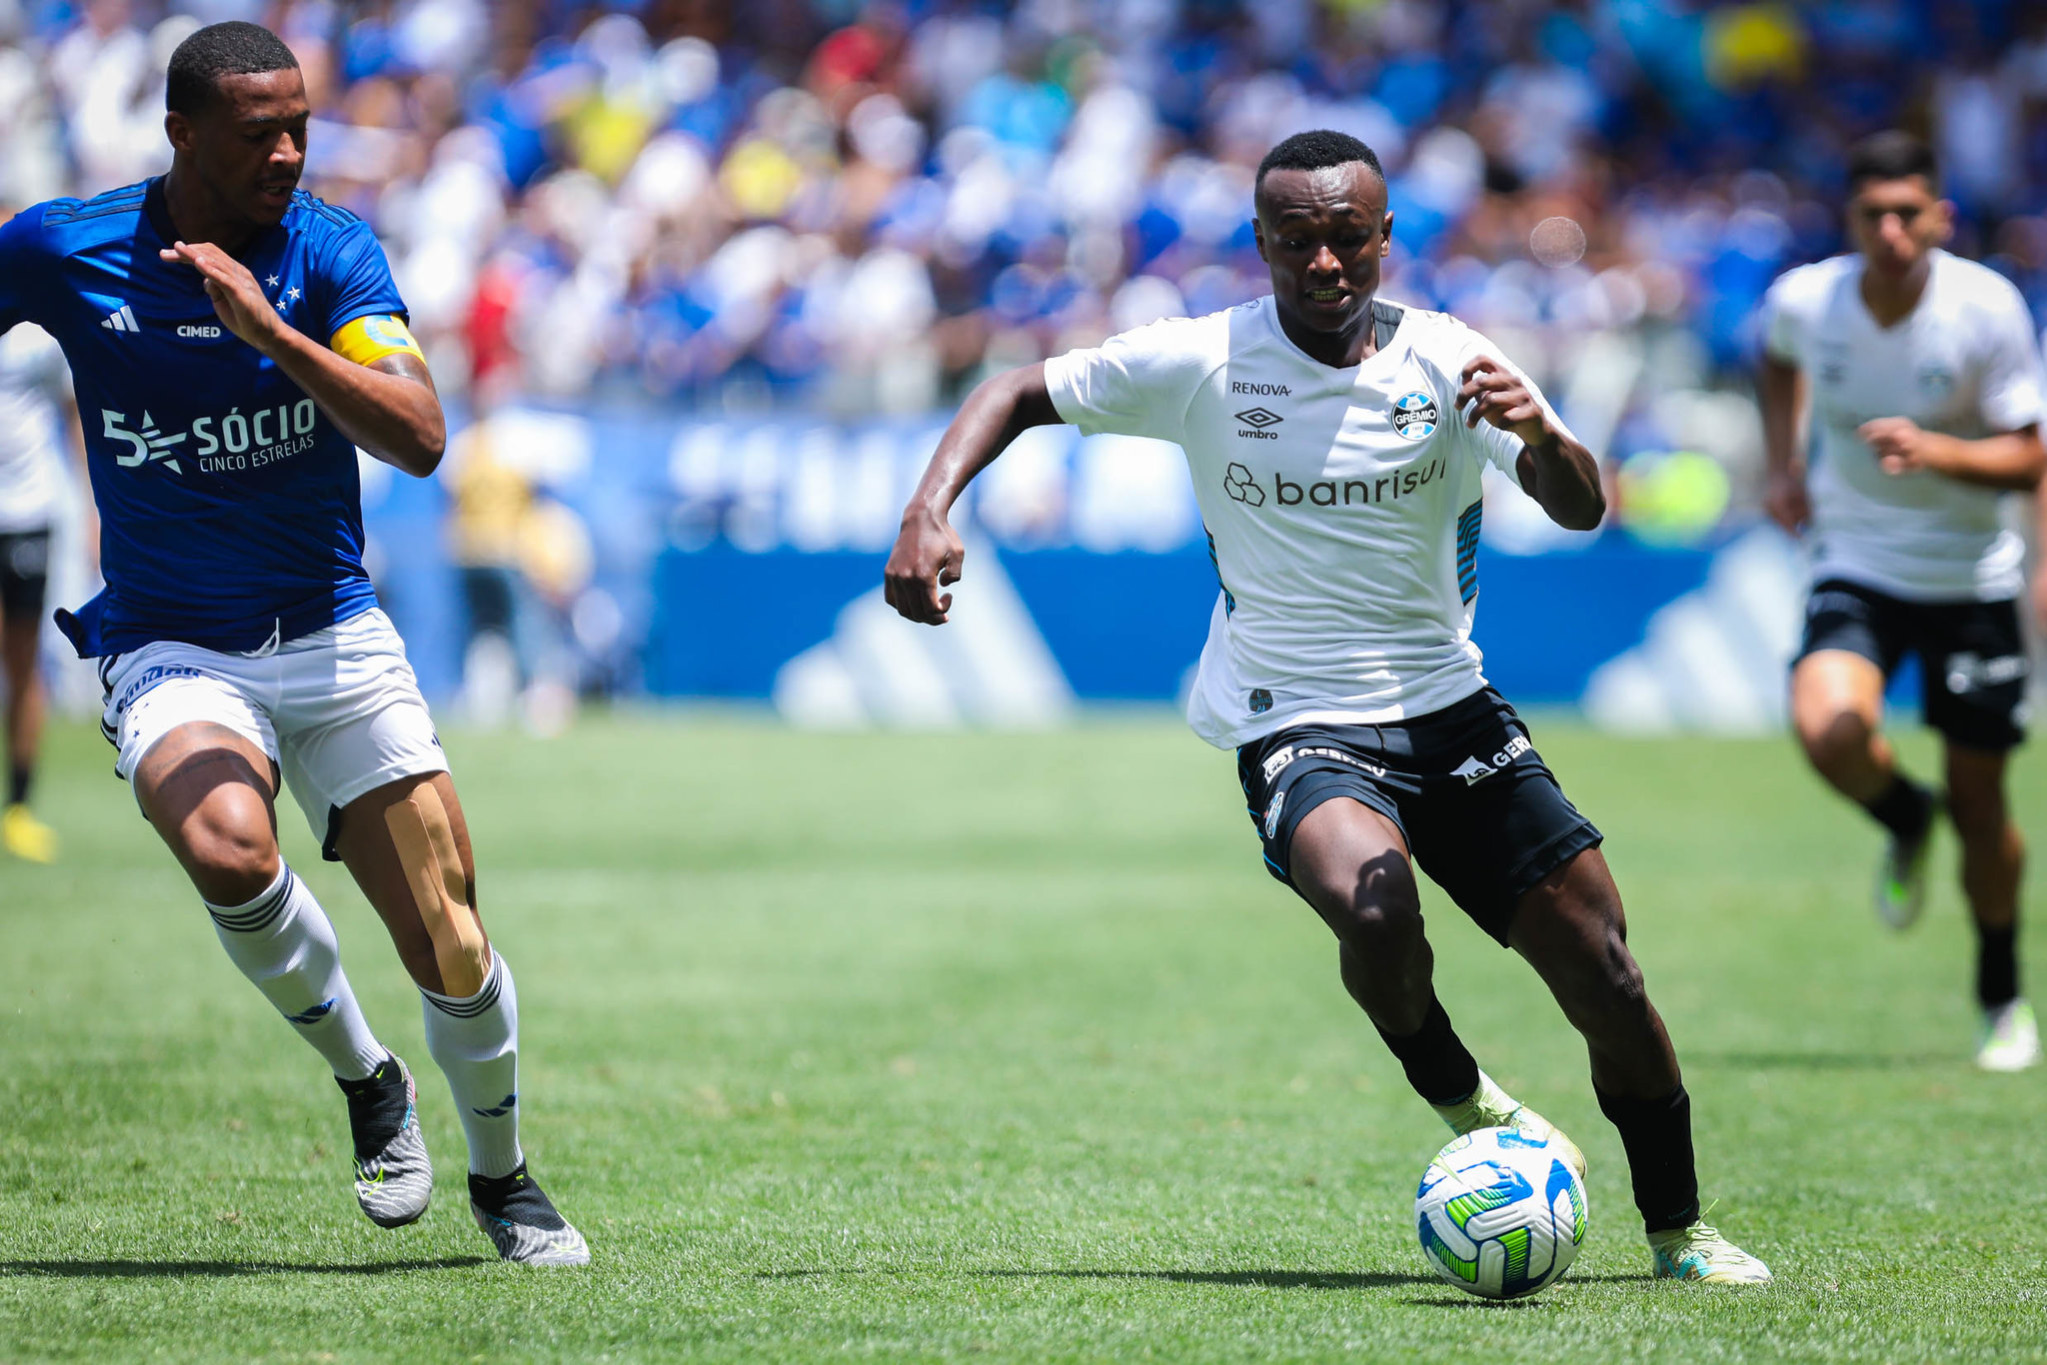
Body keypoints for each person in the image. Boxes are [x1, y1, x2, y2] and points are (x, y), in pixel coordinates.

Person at [884, 129, 1771, 1285]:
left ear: (1385, 237)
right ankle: (1471, 1104)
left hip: (1450, 707)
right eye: (1295, 240)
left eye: (1346, 237)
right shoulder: (1204, 360)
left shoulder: (1455, 362)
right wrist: (927, 508)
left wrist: (1544, 435)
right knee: (1372, 906)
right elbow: (1015, 389)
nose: (1323, 263)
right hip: (1291, 713)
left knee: (1604, 970)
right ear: (1260, 243)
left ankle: (1680, 1232)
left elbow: (1577, 507)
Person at [0, 21, 588, 1262]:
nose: (287, 152)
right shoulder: (68, 248)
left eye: (300, 126)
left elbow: (423, 434)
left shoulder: (332, 254)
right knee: (226, 845)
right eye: (258, 131)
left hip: (334, 637)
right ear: (181, 135)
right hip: (171, 644)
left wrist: (269, 333)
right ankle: (370, 1080)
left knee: (450, 940)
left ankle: (504, 1176)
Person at [1759, 131, 2046, 1073]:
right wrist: (1781, 465)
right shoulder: (1806, 299)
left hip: (1972, 577)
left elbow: (2029, 453)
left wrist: (1938, 451)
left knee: (1981, 801)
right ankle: (1900, 816)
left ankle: (1999, 991)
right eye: (1870, 214)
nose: (1889, 230)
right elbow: (1773, 359)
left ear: (1939, 219)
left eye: (1906, 214)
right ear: (1847, 220)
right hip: (1858, 559)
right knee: (1828, 728)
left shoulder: (1985, 308)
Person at [0, 318, 74, 863]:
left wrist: (96, 508)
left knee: (24, 663)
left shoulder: (38, 329)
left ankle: (19, 810)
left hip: (29, 512)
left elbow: (74, 413)